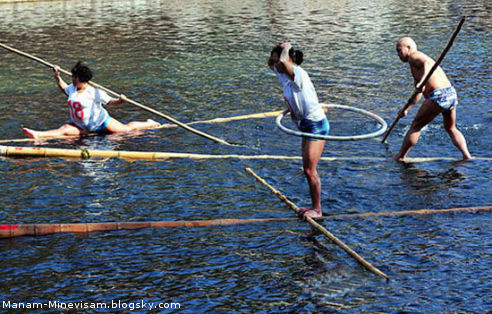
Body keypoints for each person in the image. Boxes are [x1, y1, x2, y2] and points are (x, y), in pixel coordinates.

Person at [268, 41, 330, 219]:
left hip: (315, 125)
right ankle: (314, 206)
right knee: (306, 169)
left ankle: (317, 210)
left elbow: (281, 62)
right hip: (305, 124)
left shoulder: (298, 74)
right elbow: (273, 64)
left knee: (310, 170)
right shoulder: (284, 76)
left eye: (278, 60)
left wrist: (286, 46)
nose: (275, 65)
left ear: (287, 60)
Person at [22, 61, 160, 139]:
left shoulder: (94, 91)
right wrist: (57, 77)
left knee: (125, 130)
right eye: (73, 77)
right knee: (63, 129)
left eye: (75, 77)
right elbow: (64, 88)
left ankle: (148, 123)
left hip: (101, 122)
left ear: (82, 79)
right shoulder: (73, 89)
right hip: (81, 126)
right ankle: (38, 134)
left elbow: (110, 102)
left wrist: (120, 100)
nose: (72, 79)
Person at [394, 37, 471, 161]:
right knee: (450, 128)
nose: (398, 54)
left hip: (439, 95)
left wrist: (423, 80)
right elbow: (419, 92)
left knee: (415, 127)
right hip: (450, 93)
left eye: (399, 50)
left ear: (408, 48)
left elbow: (429, 64)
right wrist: (406, 109)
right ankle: (467, 155)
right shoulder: (414, 66)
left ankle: (401, 156)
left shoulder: (414, 56)